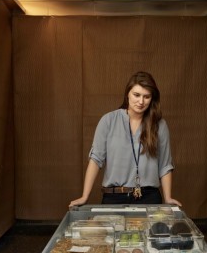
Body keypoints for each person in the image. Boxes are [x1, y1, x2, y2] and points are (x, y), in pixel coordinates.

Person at [69, 71, 182, 207]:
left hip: (149, 198)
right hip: (114, 198)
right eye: (136, 95)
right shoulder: (108, 121)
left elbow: (165, 165)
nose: (141, 101)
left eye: (146, 97)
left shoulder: (159, 125)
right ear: (127, 93)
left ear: (152, 98)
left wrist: (168, 197)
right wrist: (84, 196)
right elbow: (95, 160)